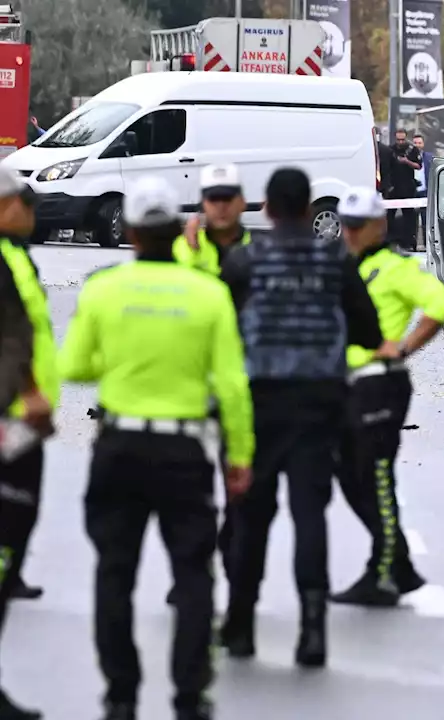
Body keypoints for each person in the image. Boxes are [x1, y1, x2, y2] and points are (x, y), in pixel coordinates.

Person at [59, 176, 254, 720]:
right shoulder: (209, 294)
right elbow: (233, 386)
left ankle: (120, 693)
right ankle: (190, 695)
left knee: (113, 571)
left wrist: (121, 361)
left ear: (134, 234)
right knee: (192, 574)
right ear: (178, 230)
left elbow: (75, 366)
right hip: (185, 454)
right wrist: (239, 458)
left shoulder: (103, 289)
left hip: (119, 446)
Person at [218, 168, 386, 668]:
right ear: (310, 208)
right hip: (319, 403)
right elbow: (368, 330)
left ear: (266, 208)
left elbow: (223, 333)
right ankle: (313, 630)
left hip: (258, 403)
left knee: (252, 516)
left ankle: (241, 624)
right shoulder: (334, 258)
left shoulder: (245, 260)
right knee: (309, 514)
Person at [329, 188, 444, 607]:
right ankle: (397, 562)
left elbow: (439, 305)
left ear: (378, 226)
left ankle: (383, 573)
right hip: (345, 386)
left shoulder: (395, 267)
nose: (349, 234)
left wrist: (402, 347)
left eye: (357, 226)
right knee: (349, 477)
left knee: (376, 476)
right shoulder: (340, 266)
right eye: (345, 225)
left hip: (380, 382)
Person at [164, 163, 252, 606]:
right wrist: (194, 252)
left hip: (242, 386)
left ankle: (234, 569)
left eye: (226, 197)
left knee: (240, 487)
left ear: (240, 201)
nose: (219, 205)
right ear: (202, 203)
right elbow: (182, 301)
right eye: (211, 197)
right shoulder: (184, 250)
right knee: (191, 494)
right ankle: (190, 577)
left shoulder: (257, 251)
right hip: (193, 386)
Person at [0, 168, 52, 720]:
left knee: (19, 517)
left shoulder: (17, 254)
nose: (31, 213)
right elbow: (14, 335)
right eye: (23, 203)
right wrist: (32, 393)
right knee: (13, 517)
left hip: (18, 416)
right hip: (9, 416)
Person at [173, 164, 252, 276]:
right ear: (202, 205)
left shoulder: (258, 247)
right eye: (213, 199)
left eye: (227, 198)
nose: (221, 207)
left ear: (242, 203)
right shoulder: (182, 246)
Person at [388, 129, 423, 251]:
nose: (400, 142)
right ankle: (390, 241)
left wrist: (407, 161)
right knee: (389, 215)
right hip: (393, 187)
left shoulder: (412, 149)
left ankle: (409, 242)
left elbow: (419, 166)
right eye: (398, 139)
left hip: (407, 186)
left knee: (409, 216)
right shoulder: (390, 149)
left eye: (403, 139)